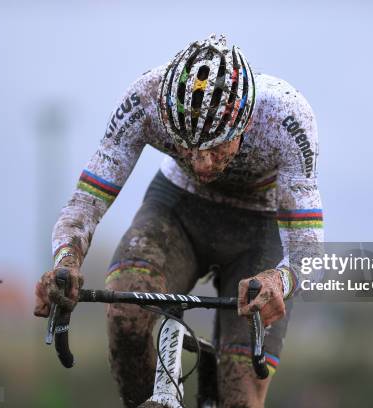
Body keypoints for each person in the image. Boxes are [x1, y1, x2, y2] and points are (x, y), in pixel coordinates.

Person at [34, 34, 324, 408]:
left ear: (246, 121)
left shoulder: (285, 118)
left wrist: (278, 280)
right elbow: (87, 200)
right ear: (167, 116)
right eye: (185, 145)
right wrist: (66, 260)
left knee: (241, 393)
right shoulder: (147, 98)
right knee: (125, 312)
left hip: (259, 228)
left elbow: (307, 252)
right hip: (177, 210)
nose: (202, 163)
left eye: (217, 146)